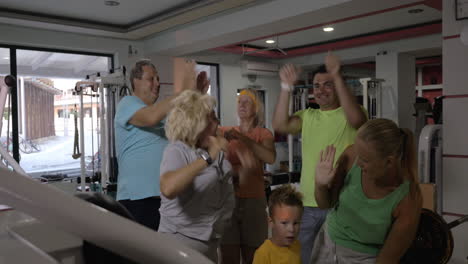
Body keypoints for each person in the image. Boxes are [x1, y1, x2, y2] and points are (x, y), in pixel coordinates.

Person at [272, 52, 367, 263]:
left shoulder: (352, 112)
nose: (320, 90)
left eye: (327, 84)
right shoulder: (308, 116)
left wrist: (337, 75)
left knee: (335, 258)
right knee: (303, 257)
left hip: (341, 203)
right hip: (307, 203)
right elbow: (279, 125)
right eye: (316, 86)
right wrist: (286, 87)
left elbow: (357, 120)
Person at [311, 118, 422, 264]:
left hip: (363, 258)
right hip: (327, 243)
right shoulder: (351, 156)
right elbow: (325, 204)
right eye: (358, 155)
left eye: (365, 159)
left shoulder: (408, 199)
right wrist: (320, 185)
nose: (358, 163)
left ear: (389, 161)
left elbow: (387, 260)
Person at [115, 59, 206, 231]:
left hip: (164, 198)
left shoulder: (162, 112)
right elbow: (151, 117)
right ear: (136, 81)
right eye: (151, 79)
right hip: (137, 199)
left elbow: (192, 130)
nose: (157, 83)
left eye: (158, 79)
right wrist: (184, 92)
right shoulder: (127, 104)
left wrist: (197, 95)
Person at [159, 90, 249, 263]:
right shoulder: (177, 150)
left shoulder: (213, 149)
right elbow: (168, 188)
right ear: (198, 123)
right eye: (213, 118)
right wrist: (208, 158)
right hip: (179, 244)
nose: (218, 122)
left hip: (209, 244)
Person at [220, 89, 276, 264]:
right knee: (228, 255)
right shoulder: (226, 131)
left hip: (254, 202)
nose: (242, 105)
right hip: (228, 200)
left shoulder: (263, 134)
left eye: (247, 102)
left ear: (256, 109)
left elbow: (270, 157)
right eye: (239, 102)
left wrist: (242, 138)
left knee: (254, 257)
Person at [252, 184, 303, 264]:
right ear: (271, 222)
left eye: (295, 223)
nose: (291, 229)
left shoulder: (297, 245)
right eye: (284, 223)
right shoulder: (263, 254)